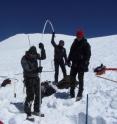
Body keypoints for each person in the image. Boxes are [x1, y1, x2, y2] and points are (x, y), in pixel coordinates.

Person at [21, 43, 46, 118]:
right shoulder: (24, 59)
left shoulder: (35, 56)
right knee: (30, 95)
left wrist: (42, 49)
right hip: (28, 79)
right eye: (32, 55)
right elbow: (27, 70)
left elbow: (43, 57)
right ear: (29, 53)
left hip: (36, 78)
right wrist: (37, 70)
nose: (34, 56)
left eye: (35, 55)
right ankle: (27, 110)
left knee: (39, 94)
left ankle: (36, 110)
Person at [68, 31, 91, 101]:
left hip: (81, 64)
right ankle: (72, 92)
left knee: (80, 79)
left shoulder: (86, 44)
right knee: (72, 78)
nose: (78, 38)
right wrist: (68, 60)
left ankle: (80, 93)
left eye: (80, 36)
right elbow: (71, 52)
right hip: (74, 64)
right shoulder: (74, 43)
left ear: (82, 36)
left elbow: (88, 55)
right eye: (77, 36)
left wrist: (86, 62)